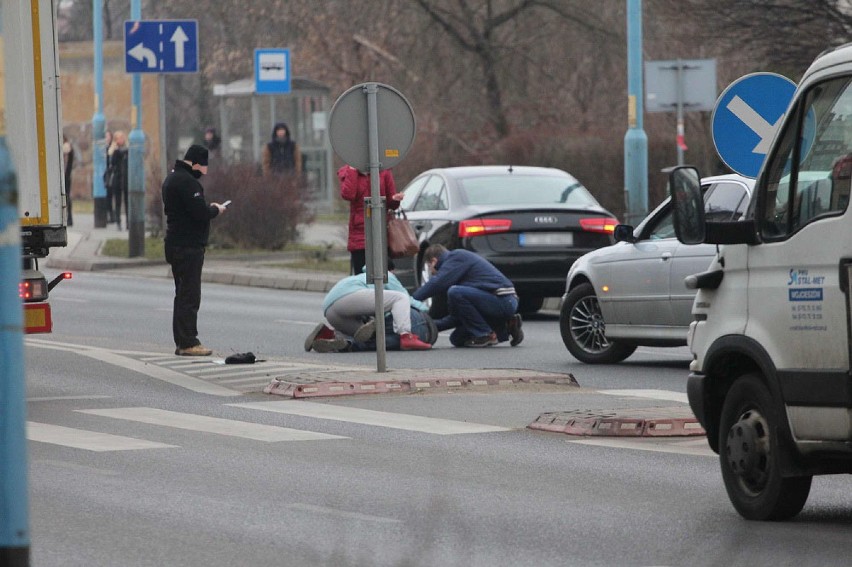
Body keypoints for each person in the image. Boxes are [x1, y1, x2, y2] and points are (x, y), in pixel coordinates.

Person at [162, 145, 228, 356]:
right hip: (188, 246)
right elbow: (199, 213)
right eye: (203, 167)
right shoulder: (187, 183)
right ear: (196, 163)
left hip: (175, 244)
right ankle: (189, 341)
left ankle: (182, 341)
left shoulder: (171, 178)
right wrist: (215, 209)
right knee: (190, 296)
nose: (204, 172)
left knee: (181, 295)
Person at [412, 244, 524, 348]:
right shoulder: (459, 280)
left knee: (455, 292)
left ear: (433, 261)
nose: (431, 273)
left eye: (429, 267)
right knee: (457, 339)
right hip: (493, 302)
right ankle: (507, 327)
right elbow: (456, 318)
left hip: (503, 300)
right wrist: (426, 326)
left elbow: (436, 283)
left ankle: (485, 334)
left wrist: (410, 300)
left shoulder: (457, 256)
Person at [304, 270, 433, 352]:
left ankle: (330, 335)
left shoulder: (359, 276)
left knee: (367, 337)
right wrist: (426, 309)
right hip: (349, 297)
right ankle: (406, 335)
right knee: (400, 299)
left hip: (330, 310)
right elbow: (405, 297)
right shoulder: (386, 274)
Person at [339, 164, 402, 275]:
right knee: (362, 278)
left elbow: (391, 202)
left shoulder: (384, 171)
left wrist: (395, 200)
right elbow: (348, 195)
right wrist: (353, 169)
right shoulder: (349, 171)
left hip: (381, 232)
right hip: (359, 236)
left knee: (383, 277)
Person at [106, 130, 129, 229]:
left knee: (127, 201)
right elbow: (111, 163)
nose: (121, 140)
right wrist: (116, 151)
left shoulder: (127, 150)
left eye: (122, 138)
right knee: (118, 201)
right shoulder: (112, 151)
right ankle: (118, 221)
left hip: (126, 177)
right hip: (117, 177)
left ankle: (128, 222)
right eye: (119, 138)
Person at [62, 134, 74, 227]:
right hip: (66, 176)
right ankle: (68, 217)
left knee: (66, 197)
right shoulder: (67, 149)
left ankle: (69, 217)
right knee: (66, 197)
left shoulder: (66, 148)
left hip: (66, 177)